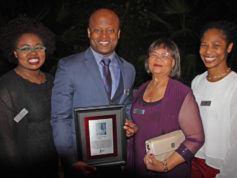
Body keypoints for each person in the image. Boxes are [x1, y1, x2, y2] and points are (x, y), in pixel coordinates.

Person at [51, 8, 136, 177]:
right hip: (80, 162)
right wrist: (70, 160)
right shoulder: (68, 67)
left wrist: (130, 124)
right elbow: (60, 117)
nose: (104, 36)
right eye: (98, 30)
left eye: (110, 30)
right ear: (89, 32)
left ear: (118, 33)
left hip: (115, 160)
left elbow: (127, 105)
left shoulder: (129, 69)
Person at [125, 38, 205, 178]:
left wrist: (165, 166)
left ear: (173, 63)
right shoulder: (141, 89)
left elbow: (196, 138)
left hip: (169, 169)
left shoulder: (181, 93)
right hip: (139, 165)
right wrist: (133, 129)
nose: (158, 58)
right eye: (154, 54)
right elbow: (143, 123)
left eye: (165, 55)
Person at [0, 16, 59, 178]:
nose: (33, 53)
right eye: (24, 48)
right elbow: (6, 141)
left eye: (39, 47)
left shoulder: (52, 81)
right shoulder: (7, 88)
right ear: (14, 53)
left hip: (53, 166)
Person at [191, 21, 237, 178]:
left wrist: (228, 174)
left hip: (220, 166)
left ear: (229, 47)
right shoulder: (197, 81)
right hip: (194, 160)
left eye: (216, 45)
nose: (208, 51)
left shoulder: (235, 85)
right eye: (204, 45)